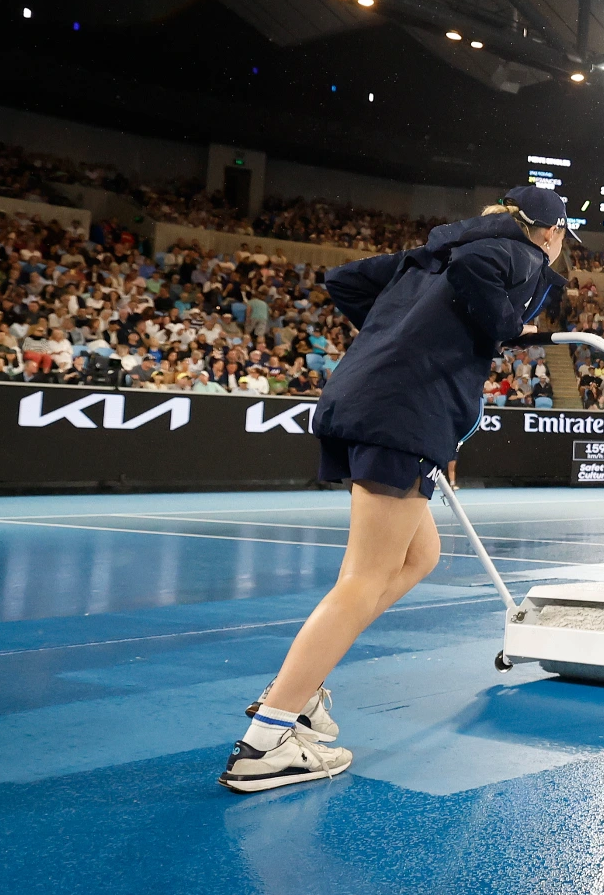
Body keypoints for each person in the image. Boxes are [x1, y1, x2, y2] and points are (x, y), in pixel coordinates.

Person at [220, 186, 572, 794]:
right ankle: (270, 735)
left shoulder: (429, 255)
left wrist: (402, 334)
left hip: (369, 400)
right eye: (562, 237)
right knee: (361, 579)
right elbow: (478, 275)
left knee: (420, 556)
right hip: (402, 414)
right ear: (549, 231)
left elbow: (345, 281)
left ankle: (298, 692)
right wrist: (506, 325)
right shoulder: (517, 256)